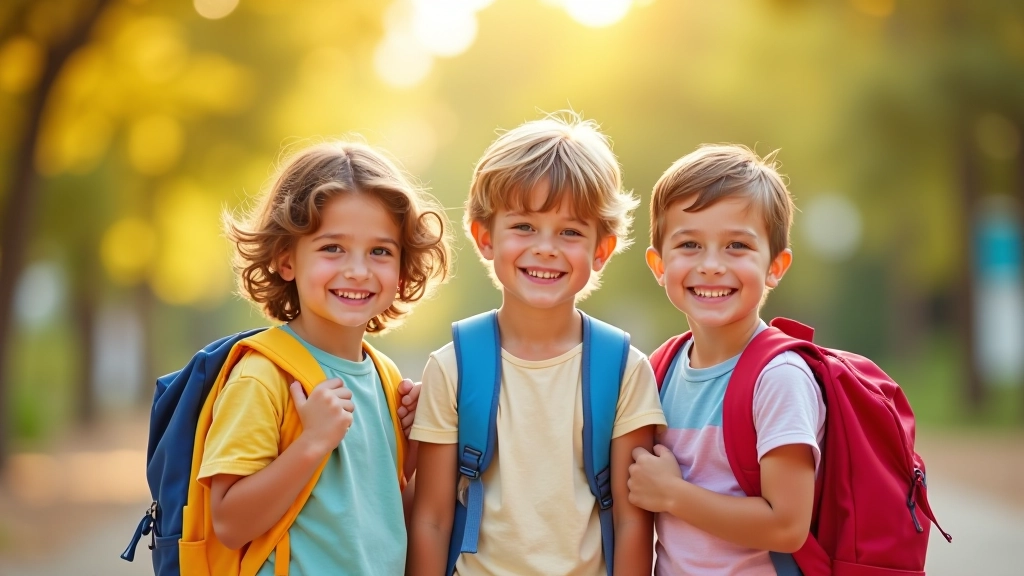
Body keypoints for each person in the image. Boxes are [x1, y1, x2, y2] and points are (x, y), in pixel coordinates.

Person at [409, 113, 666, 575]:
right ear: (485, 237)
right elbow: (431, 519)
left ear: (601, 250)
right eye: (524, 226)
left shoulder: (624, 368)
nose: (546, 248)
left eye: (570, 232)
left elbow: (632, 524)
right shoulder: (453, 367)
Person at [198, 141, 451, 574]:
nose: (357, 270)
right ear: (285, 259)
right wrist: (312, 443)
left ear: (403, 268)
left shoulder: (385, 377)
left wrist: (414, 450)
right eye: (332, 248)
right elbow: (230, 523)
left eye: (380, 251)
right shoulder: (264, 376)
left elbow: (381, 518)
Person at [627, 144, 826, 574]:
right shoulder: (658, 369)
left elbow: (787, 525)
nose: (712, 265)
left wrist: (673, 495)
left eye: (737, 245)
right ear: (659, 264)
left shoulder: (779, 378)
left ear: (775, 266)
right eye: (690, 245)